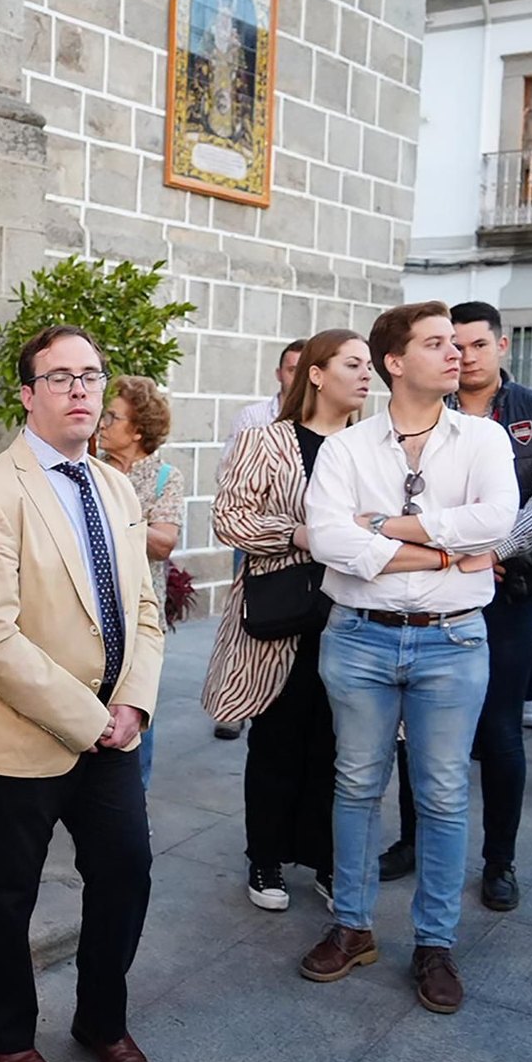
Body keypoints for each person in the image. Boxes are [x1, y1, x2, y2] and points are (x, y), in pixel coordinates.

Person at [0, 325, 165, 1062]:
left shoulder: (113, 485)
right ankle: (3, 1032)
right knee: (8, 891)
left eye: (92, 375)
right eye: (61, 375)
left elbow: (142, 603)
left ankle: (103, 1021)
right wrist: (89, 716)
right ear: (27, 392)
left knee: (127, 871)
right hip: (19, 730)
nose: (80, 388)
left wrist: (133, 700)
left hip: (115, 726)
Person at [299, 301, 517, 1014]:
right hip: (359, 635)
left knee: (445, 791)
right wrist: (445, 552)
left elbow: (498, 520)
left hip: (452, 637)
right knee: (357, 782)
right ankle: (353, 925)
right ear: (394, 361)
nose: (455, 354)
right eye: (435, 343)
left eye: (457, 343)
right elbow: (330, 539)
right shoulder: (347, 449)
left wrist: (389, 529)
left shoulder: (482, 439)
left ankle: (434, 943)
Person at [408, 299, 532, 913]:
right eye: (455, 343)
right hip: (436, 583)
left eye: (478, 344)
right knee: (417, 725)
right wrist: (456, 553)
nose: (464, 355)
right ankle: (412, 841)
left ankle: (498, 860)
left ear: (501, 346)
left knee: (500, 729)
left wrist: (493, 550)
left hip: (508, 591)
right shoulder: (427, 406)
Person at [204, 329, 371, 912]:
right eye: (353, 363)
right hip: (281, 618)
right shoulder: (266, 440)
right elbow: (229, 519)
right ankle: (266, 859)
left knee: (339, 747)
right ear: (318, 374)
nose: (367, 374)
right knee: (275, 742)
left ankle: (327, 861)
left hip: (354, 619)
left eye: (370, 364)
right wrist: (300, 535)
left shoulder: (376, 446)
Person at [212, 339, 306, 740]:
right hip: (258, 533)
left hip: (305, 549)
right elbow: (230, 479)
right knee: (251, 611)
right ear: (279, 373)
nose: (296, 377)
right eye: (290, 368)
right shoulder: (254, 419)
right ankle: (240, 697)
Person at [96, 373, 182, 788]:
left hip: (140, 614)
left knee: (136, 706)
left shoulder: (166, 477)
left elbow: (165, 542)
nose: (102, 423)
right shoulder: (89, 466)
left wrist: (120, 521)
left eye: (113, 417)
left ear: (137, 430)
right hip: (91, 608)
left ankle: (134, 798)